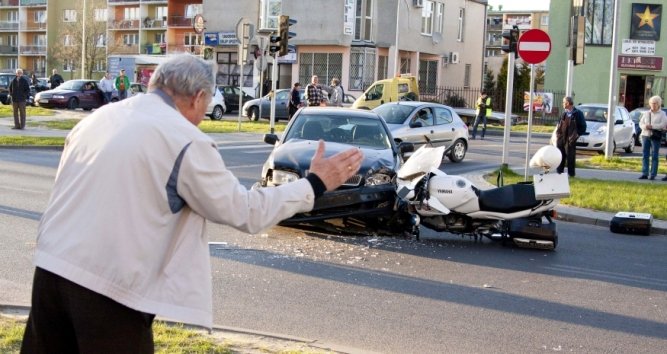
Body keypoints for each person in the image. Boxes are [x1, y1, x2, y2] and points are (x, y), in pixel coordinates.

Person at [20, 53, 364, 353]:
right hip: (109, 289)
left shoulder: (98, 119)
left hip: (51, 271)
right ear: (199, 97)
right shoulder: (183, 140)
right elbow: (244, 211)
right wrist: (314, 184)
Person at [555, 96, 586, 177]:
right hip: (561, 138)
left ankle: (571, 174)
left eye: (563, 102)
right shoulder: (564, 113)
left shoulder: (578, 113)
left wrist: (576, 135)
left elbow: (583, 127)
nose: (562, 104)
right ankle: (559, 173)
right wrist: (558, 135)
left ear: (568, 103)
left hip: (571, 139)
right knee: (560, 156)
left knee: (570, 157)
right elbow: (559, 125)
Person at [638, 95, 667, 180]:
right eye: (651, 103)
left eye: (655, 103)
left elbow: (662, 125)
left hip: (655, 136)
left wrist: (652, 126)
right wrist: (645, 126)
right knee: (645, 155)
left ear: (659, 104)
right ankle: (645, 173)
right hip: (645, 135)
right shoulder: (647, 113)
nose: (653, 105)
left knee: (655, 155)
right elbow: (640, 123)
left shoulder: (662, 114)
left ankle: (653, 174)